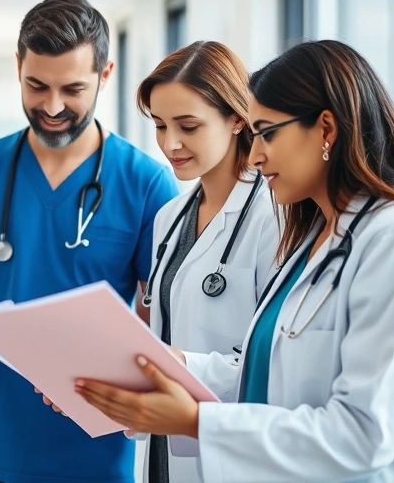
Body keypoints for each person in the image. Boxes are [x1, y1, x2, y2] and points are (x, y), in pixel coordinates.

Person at [72, 40, 394, 482]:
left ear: (326, 129)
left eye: (267, 133)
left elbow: (365, 434)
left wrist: (197, 421)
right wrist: (158, 368)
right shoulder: (319, 235)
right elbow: (263, 372)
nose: (254, 155)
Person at [0, 0, 179, 483]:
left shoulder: (147, 183)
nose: (51, 106)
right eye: (36, 85)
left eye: (73, 88)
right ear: (18, 67)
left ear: (106, 75)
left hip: (98, 453)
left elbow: (154, 331)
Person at [131, 41, 279, 483]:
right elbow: (161, 332)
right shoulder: (169, 218)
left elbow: (274, 363)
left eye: (188, 126)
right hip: (163, 446)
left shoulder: (275, 217)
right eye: (159, 126)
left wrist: (177, 363)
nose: (169, 143)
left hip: (229, 452)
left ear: (237, 118)